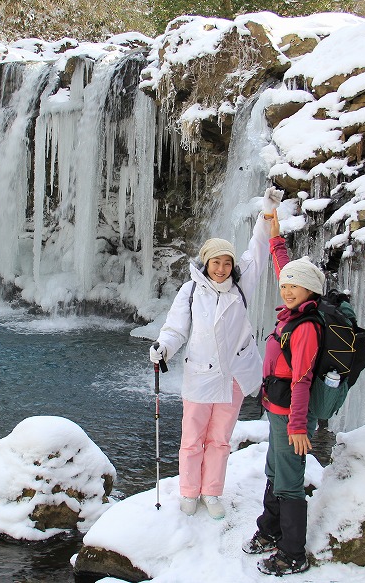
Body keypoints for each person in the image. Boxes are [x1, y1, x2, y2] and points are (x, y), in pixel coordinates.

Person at [149, 189, 280, 520]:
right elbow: (176, 328)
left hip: (234, 374)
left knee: (220, 438)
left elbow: (259, 249)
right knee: (193, 437)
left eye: (226, 263)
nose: (221, 268)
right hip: (200, 374)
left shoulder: (241, 285)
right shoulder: (191, 290)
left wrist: (267, 212)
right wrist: (163, 347)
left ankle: (212, 491)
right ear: (205, 263)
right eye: (215, 262)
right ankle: (190, 491)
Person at [242, 214, 325, 576]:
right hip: (276, 410)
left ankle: (293, 553)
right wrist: (276, 238)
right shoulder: (293, 311)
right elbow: (284, 271)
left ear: (311, 292)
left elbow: (303, 380)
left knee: (289, 481)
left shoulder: (305, 328)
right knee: (275, 470)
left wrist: (297, 426)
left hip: (291, 415)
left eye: (295, 287)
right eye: (286, 286)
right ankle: (271, 529)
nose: (287, 290)